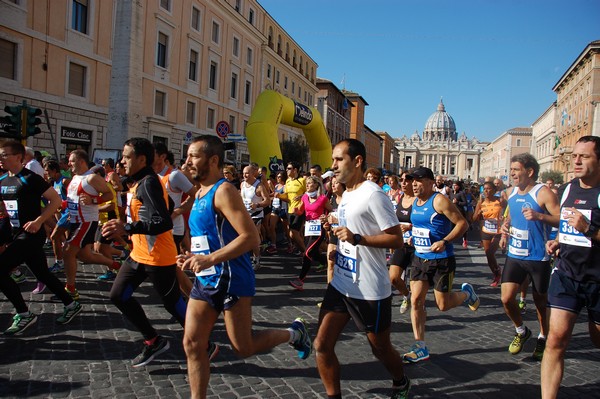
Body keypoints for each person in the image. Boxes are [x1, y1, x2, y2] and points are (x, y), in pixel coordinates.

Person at [179, 135, 311, 399]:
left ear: (213, 160)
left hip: (231, 278)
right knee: (192, 344)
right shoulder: (199, 192)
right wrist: (193, 256)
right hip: (206, 279)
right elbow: (209, 236)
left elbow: (251, 237)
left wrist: (210, 258)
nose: (186, 163)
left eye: (193, 156)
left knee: (243, 346)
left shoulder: (224, 190)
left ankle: (293, 333)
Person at [314, 139, 410, 399]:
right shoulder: (346, 193)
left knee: (379, 348)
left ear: (357, 161)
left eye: (339, 159)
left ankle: (400, 380)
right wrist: (335, 234)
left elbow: (396, 239)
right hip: (342, 283)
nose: (333, 165)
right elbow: (351, 229)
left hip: (369, 289)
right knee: (321, 345)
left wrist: (358, 239)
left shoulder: (373, 194)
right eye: (333, 159)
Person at [101, 138, 189, 367]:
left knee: (173, 304)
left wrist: (128, 227)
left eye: (126, 156)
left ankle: (204, 342)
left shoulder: (148, 182)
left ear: (141, 159)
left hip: (158, 257)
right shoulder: (138, 182)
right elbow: (167, 205)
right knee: (118, 295)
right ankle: (153, 339)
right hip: (138, 254)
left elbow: (163, 222)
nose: (122, 160)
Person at [0, 140, 82, 335]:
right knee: (42, 273)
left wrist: (39, 221)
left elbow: (56, 201)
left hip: (31, 235)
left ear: (18, 157)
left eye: (4, 154)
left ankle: (24, 313)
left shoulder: (30, 178)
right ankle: (71, 304)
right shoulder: (3, 180)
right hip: (15, 235)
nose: (0, 158)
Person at [541, 136, 600, 398]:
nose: (576, 160)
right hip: (566, 274)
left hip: (597, 279)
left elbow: (584, 229)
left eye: (584, 156)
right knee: (555, 340)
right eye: (575, 155)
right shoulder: (566, 189)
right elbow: (568, 229)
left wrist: (588, 229)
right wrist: (557, 241)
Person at [403, 167, 480, 364]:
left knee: (442, 305)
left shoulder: (439, 200)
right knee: (416, 301)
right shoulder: (415, 202)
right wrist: (412, 236)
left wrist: (444, 241)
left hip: (442, 259)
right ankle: (420, 345)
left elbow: (462, 224)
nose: (414, 184)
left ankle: (467, 294)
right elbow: (422, 226)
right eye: (412, 180)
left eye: (419, 180)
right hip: (420, 258)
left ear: (430, 182)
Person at [499, 153, 560, 361]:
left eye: (516, 169)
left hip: (537, 256)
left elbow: (562, 220)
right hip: (515, 254)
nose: (512, 173)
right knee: (506, 298)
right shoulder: (510, 192)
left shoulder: (543, 193)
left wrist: (540, 216)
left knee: (540, 302)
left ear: (530, 171)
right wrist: (506, 225)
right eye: (512, 169)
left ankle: (543, 336)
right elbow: (510, 215)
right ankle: (521, 331)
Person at [62, 150, 121, 299]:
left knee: (68, 251)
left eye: (72, 161)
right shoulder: (75, 177)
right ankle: (117, 266)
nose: (69, 164)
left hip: (86, 221)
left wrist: (93, 201)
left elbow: (109, 195)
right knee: (85, 256)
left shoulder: (92, 178)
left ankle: (70, 289)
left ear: (82, 161)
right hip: (74, 221)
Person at [153, 142, 198, 296]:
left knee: (172, 269)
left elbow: (195, 195)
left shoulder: (174, 175)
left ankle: (193, 300)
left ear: (162, 157)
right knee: (168, 269)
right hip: (158, 229)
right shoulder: (152, 175)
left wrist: (177, 211)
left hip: (173, 230)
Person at [289, 176, 332, 290]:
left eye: (310, 183)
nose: (307, 185)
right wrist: (296, 211)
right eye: (306, 183)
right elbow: (301, 211)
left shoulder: (322, 198)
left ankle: (300, 281)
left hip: (318, 229)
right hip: (308, 228)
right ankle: (328, 261)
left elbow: (332, 211)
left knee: (307, 253)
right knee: (315, 253)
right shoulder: (304, 197)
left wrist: (326, 217)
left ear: (317, 185)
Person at [390, 171, 415, 315]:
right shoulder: (400, 197)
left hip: (417, 245)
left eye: (407, 180)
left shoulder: (419, 200)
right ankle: (407, 295)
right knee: (393, 278)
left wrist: (410, 227)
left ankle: (418, 308)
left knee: (415, 282)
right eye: (402, 180)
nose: (404, 182)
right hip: (402, 243)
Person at [472, 181, 505, 287]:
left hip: (498, 231)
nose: (486, 191)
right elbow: (473, 219)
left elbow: (507, 213)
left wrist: (503, 217)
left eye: (488, 189)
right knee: (488, 255)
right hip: (486, 230)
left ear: (494, 190)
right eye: (484, 189)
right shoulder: (481, 202)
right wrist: (478, 214)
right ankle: (496, 273)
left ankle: (497, 272)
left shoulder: (500, 201)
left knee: (491, 252)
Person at [240, 164, 270, 270]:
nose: (245, 175)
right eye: (243, 173)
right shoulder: (242, 184)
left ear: (253, 174)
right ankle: (247, 258)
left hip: (256, 215)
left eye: (247, 173)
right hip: (245, 214)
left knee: (253, 238)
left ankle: (256, 260)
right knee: (244, 237)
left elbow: (267, 201)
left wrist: (257, 205)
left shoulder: (259, 186)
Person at [274, 162, 306, 255]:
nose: (287, 170)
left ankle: (305, 253)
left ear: (295, 170)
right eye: (287, 168)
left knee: (293, 233)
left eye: (289, 168)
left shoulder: (302, 180)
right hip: (290, 209)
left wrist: (301, 196)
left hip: (299, 209)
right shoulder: (288, 181)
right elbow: (287, 197)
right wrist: (279, 195)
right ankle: (302, 251)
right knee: (295, 234)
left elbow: (310, 193)